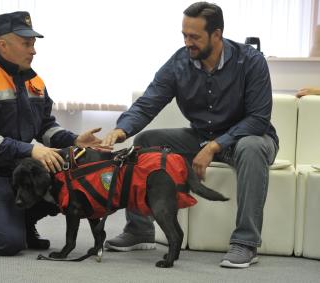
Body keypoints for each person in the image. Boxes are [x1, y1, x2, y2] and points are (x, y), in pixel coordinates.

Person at [101, 2, 279, 269]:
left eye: (194, 36)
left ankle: (246, 243)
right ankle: (140, 230)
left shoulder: (250, 61)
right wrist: (121, 129)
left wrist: (214, 147)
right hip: (201, 136)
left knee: (252, 148)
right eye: (184, 35)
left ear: (216, 34)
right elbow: (150, 100)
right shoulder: (179, 62)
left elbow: (257, 119)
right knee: (145, 143)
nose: (187, 42)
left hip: (248, 137)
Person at [0, 11, 105, 256]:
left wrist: (75, 140)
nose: (33, 50)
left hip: (19, 169)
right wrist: (30, 149)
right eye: (26, 43)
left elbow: (45, 127)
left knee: (68, 181)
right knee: (7, 243)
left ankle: (22, 221)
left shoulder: (35, 82)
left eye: (33, 44)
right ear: (3, 45)